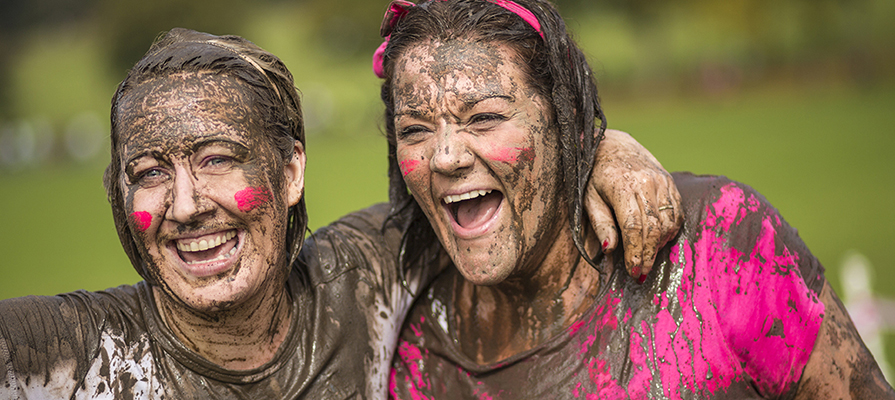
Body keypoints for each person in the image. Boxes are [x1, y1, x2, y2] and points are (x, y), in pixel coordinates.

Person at [0, 28, 682, 399]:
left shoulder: (360, 278)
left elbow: (481, 180)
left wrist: (595, 150)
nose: (185, 205)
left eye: (216, 160)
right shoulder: (69, 352)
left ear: (290, 170)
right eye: (148, 174)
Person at [376, 0, 895, 398]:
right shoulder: (407, 344)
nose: (444, 157)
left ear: (566, 119)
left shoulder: (718, 243)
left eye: (484, 118)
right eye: (415, 129)